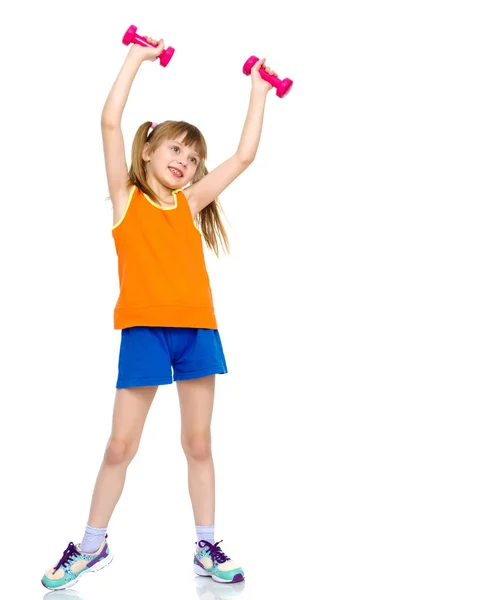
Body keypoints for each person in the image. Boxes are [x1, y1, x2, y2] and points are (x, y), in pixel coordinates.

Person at [41, 32, 277, 590]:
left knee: (198, 444)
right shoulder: (127, 202)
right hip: (144, 332)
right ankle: (91, 544)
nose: (186, 162)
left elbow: (244, 156)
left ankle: (206, 547)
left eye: (193, 158)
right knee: (120, 445)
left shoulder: (191, 203)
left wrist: (258, 91)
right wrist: (136, 58)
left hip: (197, 332)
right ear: (148, 150)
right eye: (176, 149)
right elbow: (108, 122)